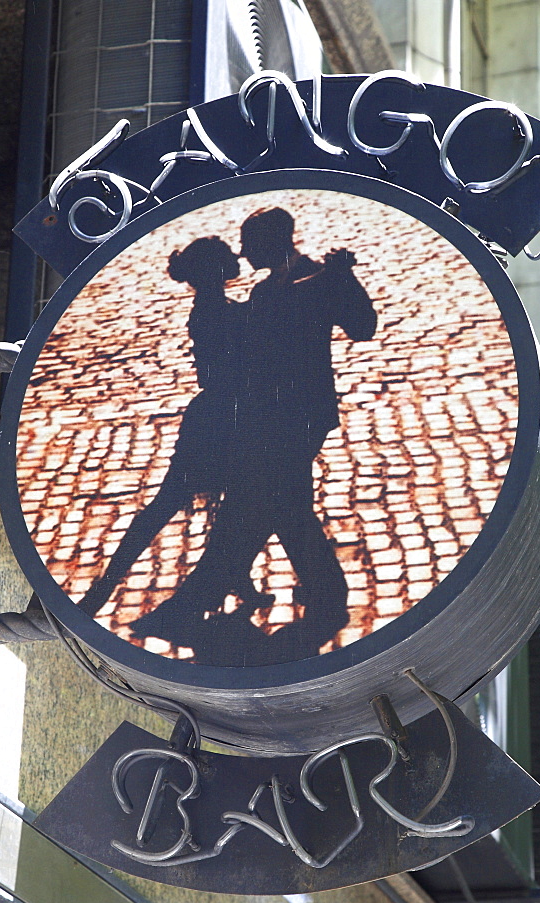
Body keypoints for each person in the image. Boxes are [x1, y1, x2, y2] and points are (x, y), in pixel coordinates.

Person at [134, 207, 377, 662]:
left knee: (252, 508)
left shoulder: (320, 279)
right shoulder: (268, 289)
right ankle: (327, 595)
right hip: (267, 419)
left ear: (275, 241)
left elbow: (363, 328)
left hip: (298, 418)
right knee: (282, 507)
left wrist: (343, 278)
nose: (243, 252)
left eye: (250, 243)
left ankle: (192, 605)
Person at [78, 236, 272, 619]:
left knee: (222, 503)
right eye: (224, 259)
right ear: (214, 271)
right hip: (221, 418)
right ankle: (106, 585)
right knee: (172, 505)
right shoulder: (216, 311)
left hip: (217, 415)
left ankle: (237, 577)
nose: (233, 261)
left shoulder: (215, 307)